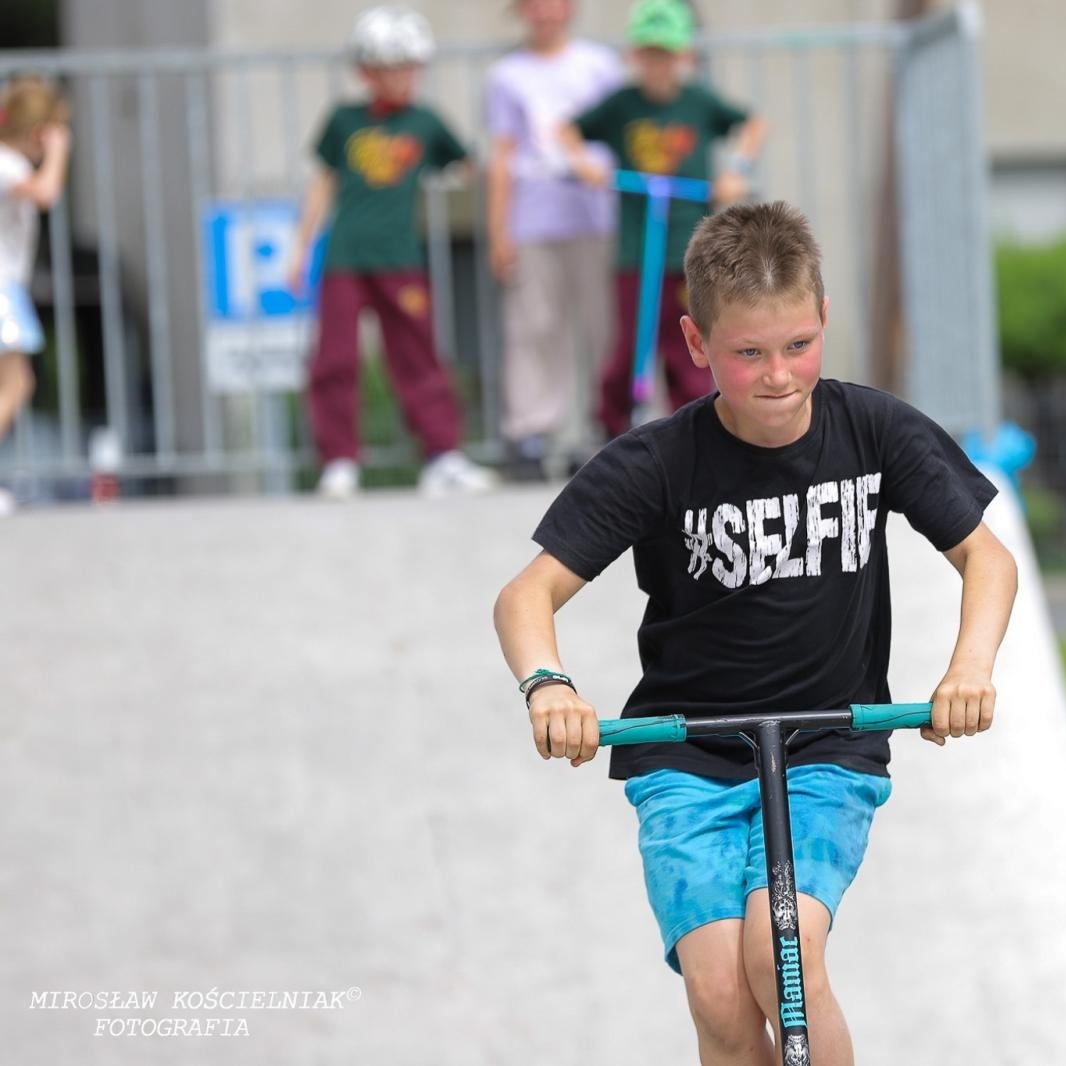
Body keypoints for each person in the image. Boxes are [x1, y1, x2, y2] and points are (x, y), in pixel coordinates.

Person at [492, 202, 1018, 1066]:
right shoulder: (656, 462)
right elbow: (526, 597)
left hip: (826, 747)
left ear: (822, 322)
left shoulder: (874, 430)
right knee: (720, 998)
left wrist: (968, 670)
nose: (779, 376)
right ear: (697, 344)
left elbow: (986, 559)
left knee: (786, 970)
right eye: (748, 354)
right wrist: (548, 686)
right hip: (685, 755)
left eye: (798, 346)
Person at [289, 5, 498, 499]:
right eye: (392, 66)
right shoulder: (343, 120)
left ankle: (442, 454)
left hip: (400, 256)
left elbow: (467, 165)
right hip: (345, 256)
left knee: (417, 353)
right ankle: (339, 460)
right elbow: (322, 183)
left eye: (411, 66)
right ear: (366, 71)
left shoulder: (425, 121)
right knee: (335, 357)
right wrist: (300, 249)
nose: (404, 78)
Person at [557, 0, 767, 439]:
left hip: (692, 247)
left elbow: (753, 124)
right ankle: (613, 429)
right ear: (636, 56)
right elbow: (566, 130)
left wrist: (735, 173)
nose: (659, 65)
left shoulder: (699, 103)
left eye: (668, 54)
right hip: (637, 246)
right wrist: (584, 164)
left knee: (688, 345)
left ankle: (695, 432)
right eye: (650, 54)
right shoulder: (621, 105)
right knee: (633, 341)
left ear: (685, 55)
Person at [486, 0, 624, 482]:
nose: (545, 12)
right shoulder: (508, 75)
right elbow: (502, 155)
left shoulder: (599, 64)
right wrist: (499, 230)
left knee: (604, 325)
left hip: (596, 214)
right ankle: (530, 430)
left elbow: (619, 133)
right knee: (534, 326)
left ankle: (604, 424)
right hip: (535, 218)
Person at [0, 76, 70, 517]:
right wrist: (61, 152)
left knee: (15, 384)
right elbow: (47, 194)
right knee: (16, 384)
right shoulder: (8, 164)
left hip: (7, 286)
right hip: (1, 287)